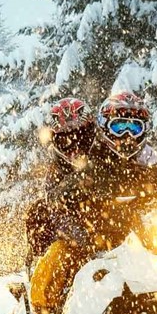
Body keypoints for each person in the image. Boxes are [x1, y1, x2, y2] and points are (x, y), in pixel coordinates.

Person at [29, 92, 157, 314]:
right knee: (55, 265)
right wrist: (80, 193)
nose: (127, 135)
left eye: (135, 127)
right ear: (105, 127)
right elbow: (65, 193)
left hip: (136, 232)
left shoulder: (147, 157)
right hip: (90, 230)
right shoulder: (95, 158)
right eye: (120, 127)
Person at [25, 97, 97, 262]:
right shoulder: (56, 170)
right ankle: (40, 271)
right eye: (66, 139)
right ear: (55, 142)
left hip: (113, 226)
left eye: (81, 136)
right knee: (38, 214)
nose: (75, 145)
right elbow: (54, 207)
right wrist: (82, 239)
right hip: (75, 240)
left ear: (91, 132)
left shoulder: (105, 155)